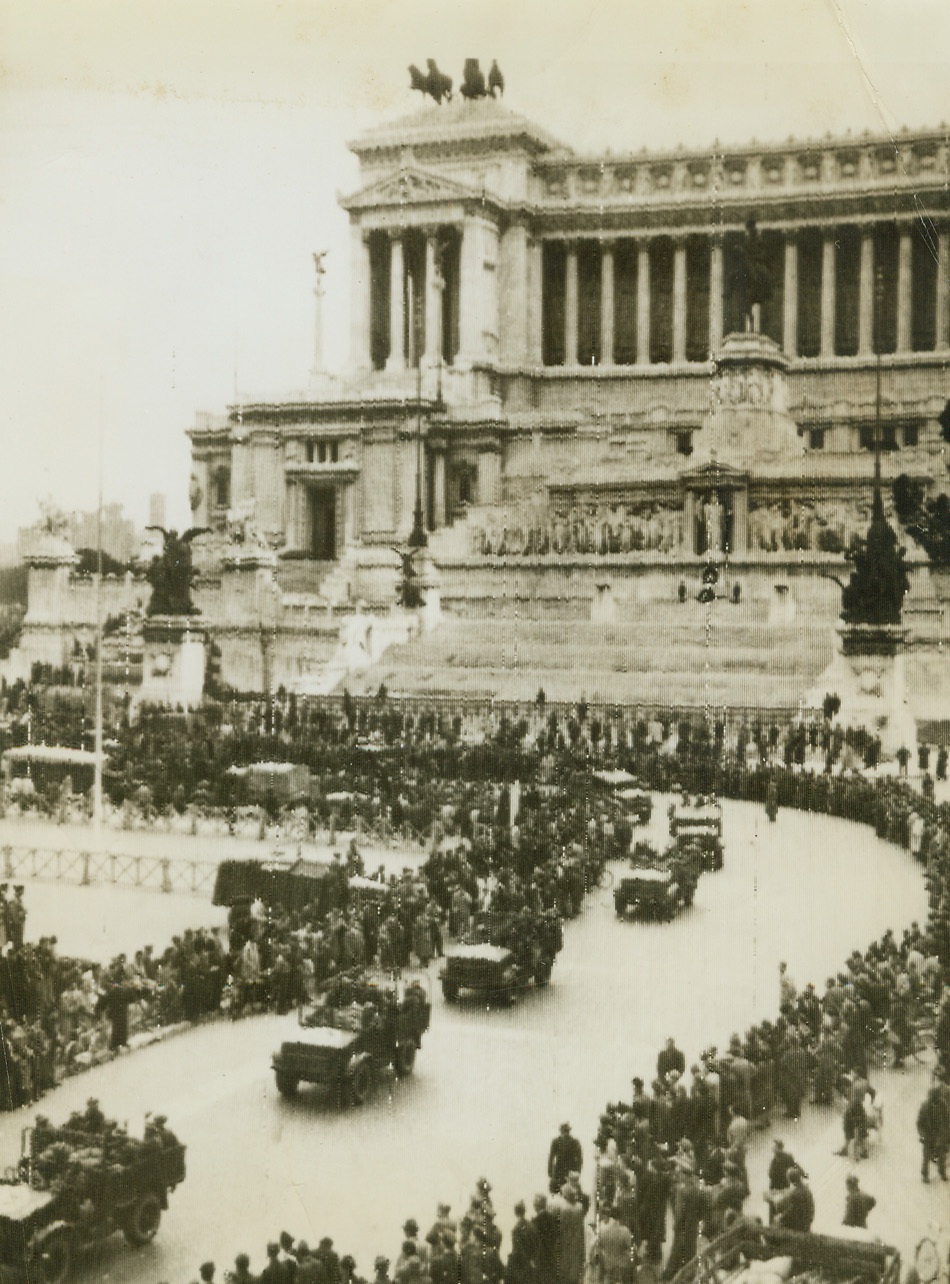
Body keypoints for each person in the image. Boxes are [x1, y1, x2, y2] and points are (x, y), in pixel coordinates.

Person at [591, 1207, 634, 1284]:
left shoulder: (603, 1231)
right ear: (621, 1217)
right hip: (622, 1270)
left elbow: (594, 1247)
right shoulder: (625, 1231)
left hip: (608, 1268)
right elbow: (631, 1249)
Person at [917, 1084, 950, 1182]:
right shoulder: (925, 1106)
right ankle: (925, 1175)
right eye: (934, 1097)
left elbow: (947, 1119)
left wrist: (946, 1132)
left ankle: (942, 1171)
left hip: (940, 1133)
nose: (936, 1099)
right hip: (928, 1133)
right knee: (926, 1155)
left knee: (942, 1154)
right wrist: (922, 1134)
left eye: (937, 1097)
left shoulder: (943, 1104)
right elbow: (919, 1122)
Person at [766, 1167, 814, 1231]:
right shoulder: (806, 1189)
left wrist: (780, 1218)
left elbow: (790, 1212)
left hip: (800, 1224)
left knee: (775, 1219)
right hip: (808, 1221)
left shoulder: (795, 1194)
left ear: (790, 1180)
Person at [548, 1124, 582, 1192]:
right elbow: (551, 1157)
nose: (565, 1133)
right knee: (556, 1191)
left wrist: (577, 1171)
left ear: (569, 1131)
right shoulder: (556, 1142)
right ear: (561, 1131)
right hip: (558, 1172)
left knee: (571, 1192)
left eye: (567, 1131)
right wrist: (550, 1172)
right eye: (564, 1131)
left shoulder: (575, 1142)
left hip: (571, 1172)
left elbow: (579, 1158)